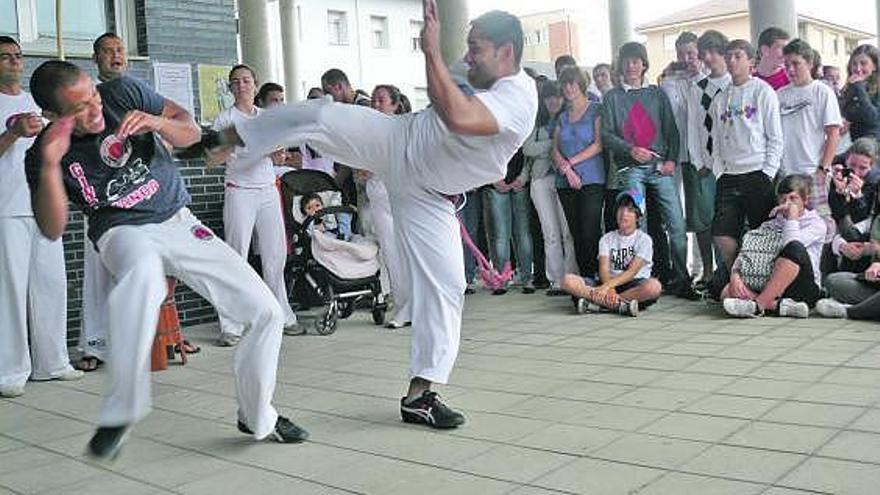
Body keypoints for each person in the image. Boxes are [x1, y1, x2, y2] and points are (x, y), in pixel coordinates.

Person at [191, 3, 537, 429]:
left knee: (446, 286)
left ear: (506, 52)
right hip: (400, 139)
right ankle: (220, 140)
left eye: (475, 48)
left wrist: (430, 52)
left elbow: (461, 116)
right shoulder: (478, 68)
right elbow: (442, 96)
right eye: (465, 47)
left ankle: (421, 395)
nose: (466, 57)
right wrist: (437, 60)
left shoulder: (519, 98)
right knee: (318, 114)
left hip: (428, 192)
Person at [26, 61, 310, 459]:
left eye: (92, 95)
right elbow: (53, 228)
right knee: (142, 274)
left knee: (265, 312)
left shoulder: (121, 93)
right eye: (79, 109)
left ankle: (258, 415)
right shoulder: (44, 153)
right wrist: (52, 166)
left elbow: (191, 132)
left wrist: (158, 124)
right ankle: (121, 410)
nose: (95, 110)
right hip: (120, 230)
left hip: (178, 220)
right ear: (53, 116)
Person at [0, 36, 83, 398]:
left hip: (44, 203)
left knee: (52, 283)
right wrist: (13, 132)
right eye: (5, 57)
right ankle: (11, 370)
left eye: (18, 56)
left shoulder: (38, 102)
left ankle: (53, 361)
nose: (15, 62)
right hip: (7, 207)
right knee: (10, 291)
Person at [212, 65, 299, 345]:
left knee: (275, 257)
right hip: (240, 191)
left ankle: (282, 315)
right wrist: (239, 144)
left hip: (267, 190)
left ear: (255, 84)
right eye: (235, 82)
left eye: (246, 81)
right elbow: (215, 156)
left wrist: (277, 155)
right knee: (236, 255)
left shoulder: (266, 117)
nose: (241, 86)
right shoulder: (226, 118)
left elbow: (280, 155)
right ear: (230, 87)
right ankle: (231, 324)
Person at [602, 41, 696, 299]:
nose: (632, 66)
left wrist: (671, 161)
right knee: (634, 224)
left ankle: (682, 280)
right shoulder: (612, 97)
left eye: (636, 61)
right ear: (621, 65)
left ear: (644, 64)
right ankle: (638, 282)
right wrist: (630, 149)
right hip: (630, 170)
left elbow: (672, 131)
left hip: (659, 169)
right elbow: (606, 135)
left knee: (677, 225)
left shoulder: (657, 94)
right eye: (627, 61)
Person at [709, 39, 783, 280]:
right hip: (728, 175)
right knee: (722, 233)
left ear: (752, 61)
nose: (731, 61)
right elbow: (717, 142)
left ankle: (760, 282)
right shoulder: (720, 98)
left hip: (757, 173)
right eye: (729, 56)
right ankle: (737, 278)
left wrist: (767, 174)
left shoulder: (763, 91)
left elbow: (775, 137)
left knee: (763, 235)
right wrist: (719, 171)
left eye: (738, 56)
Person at [722, 174, 826, 318]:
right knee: (728, 292)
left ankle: (758, 305)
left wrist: (792, 218)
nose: (787, 203)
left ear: (805, 200)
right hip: (769, 282)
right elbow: (747, 252)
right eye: (783, 199)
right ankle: (780, 307)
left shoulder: (817, 225)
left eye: (793, 198)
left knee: (794, 248)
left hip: (802, 286)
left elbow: (791, 244)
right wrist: (735, 275)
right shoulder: (769, 225)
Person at [561, 188, 662, 316]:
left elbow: (631, 272)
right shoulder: (607, 238)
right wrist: (609, 289)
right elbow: (603, 269)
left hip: (632, 284)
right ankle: (620, 305)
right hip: (607, 281)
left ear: (638, 216)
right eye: (621, 209)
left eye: (630, 210)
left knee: (654, 287)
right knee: (567, 280)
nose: (623, 213)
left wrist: (606, 289)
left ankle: (599, 304)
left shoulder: (644, 240)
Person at [661, 31, 710, 287]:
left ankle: (702, 269)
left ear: (699, 53)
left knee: (698, 214)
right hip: (673, 155)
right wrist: (669, 75)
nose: (686, 58)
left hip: (697, 156)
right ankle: (681, 269)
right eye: (681, 54)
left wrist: (697, 75)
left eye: (690, 53)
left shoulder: (706, 79)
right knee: (675, 215)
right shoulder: (670, 80)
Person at [686, 29, 731, 289]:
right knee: (704, 219)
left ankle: (729, 270)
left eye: (714, 51)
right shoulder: (697, 88)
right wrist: (697, 162)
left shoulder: (734, 84)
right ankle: (708, 271)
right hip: (704, 165)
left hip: (732, 165)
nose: (709, 57)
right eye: (706, 53)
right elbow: (693, 127)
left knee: (728, 219)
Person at [524, 80, 577, 294]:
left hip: (564, 179)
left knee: (567, 231)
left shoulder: (569, 118)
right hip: (540, 180)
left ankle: (571, 278)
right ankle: (555, 279)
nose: (553, 101)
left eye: (557, 96)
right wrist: (554, 146)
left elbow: (573, 146)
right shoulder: (536, 122)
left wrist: (547, 148)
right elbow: (527, 148)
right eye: (548, 97)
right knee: (550, 232)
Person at [552, 66, 604, 279]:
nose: (568, 88)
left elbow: (599, 144)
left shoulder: (596, 109)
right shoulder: (562, 117)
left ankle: (600, 276)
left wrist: (570, 163)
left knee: (590, 230)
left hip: (592, 179)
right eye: (564, 84)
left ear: (581, 84)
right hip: (565, 182)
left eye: (572, 83)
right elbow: (554, 149)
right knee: (576, 233)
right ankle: (586, 280)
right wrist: (565, 169)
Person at [367, 84, 411, 327]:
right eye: (374, 99)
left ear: (394, 104)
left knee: (407, 250)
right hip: (376, 194)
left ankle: (418, 304)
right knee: (390, 253)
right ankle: (403, 305)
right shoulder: (369, 129)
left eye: (381, 100)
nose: (375, 104)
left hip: (400, 192)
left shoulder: (402, 127)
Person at [778, 39, 842, 178]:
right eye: (786, 65)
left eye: (796, 64)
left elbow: (833, 133)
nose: (790, 69)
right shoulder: (780, 94)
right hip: (785, 172)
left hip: (813, 171)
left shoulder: (823, 92)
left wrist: (823, 168)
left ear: (809, 64)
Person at [841, 44, 880, 142]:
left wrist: (858, 87)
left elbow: (873, 118)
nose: (858, 68)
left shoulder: (861, 87)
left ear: (874, 66)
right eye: (854, 64)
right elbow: (844, 113)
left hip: (873, 147)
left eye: (863, 63)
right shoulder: (851, 86)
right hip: (852, 143)